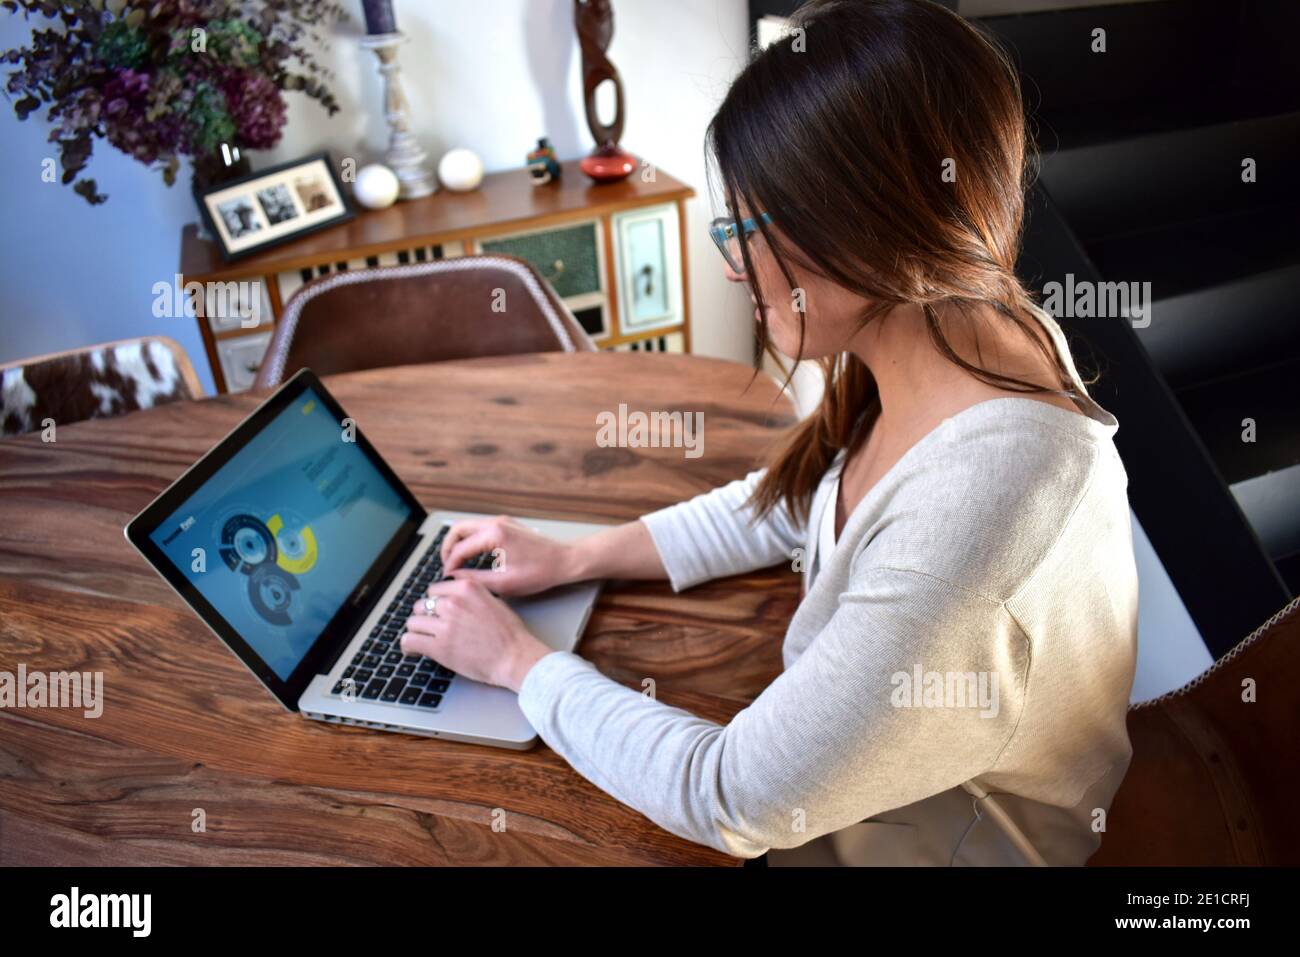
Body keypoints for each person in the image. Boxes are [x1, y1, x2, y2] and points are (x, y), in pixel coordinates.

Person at [399, 0, 1139, 865]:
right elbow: (807, 504)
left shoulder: (976, 523)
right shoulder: (958, 327)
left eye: (747, 229)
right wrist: (577, 556)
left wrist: (522, 665)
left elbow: (729, 797)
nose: (728, 259)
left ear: (862, 231)